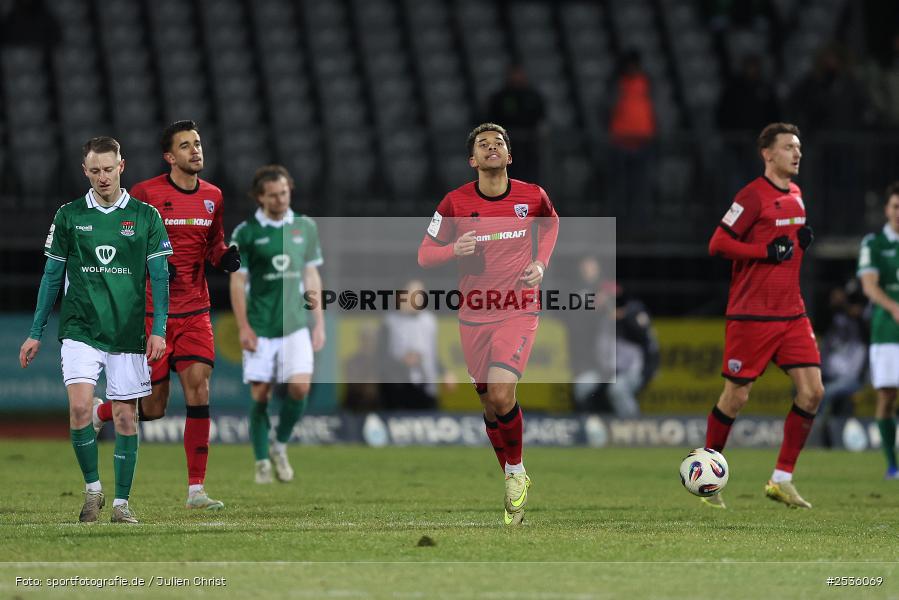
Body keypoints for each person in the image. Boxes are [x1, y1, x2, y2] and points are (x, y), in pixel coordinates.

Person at [19, 136, 171, 524]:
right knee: (81, 408)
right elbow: (52, 276)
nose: (102, 177)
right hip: (80, 327)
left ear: (122, 167)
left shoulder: (145, 216)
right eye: (95, 170)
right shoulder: (69, 215)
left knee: (125, 418)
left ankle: (121, 504)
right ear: (84, 171)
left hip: (127, 331)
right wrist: (36, 331)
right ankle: (92, 492)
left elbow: (160, 277)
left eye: (109, 169)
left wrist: (159, 329)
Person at [418, 123, 559, 525]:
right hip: (473, 314)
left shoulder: (533, 196)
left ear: (509, 156)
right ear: (472, 160)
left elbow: (551, 224)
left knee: (501, 394)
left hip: (518, 308)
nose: (491, 147)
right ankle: (512, 475)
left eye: (499, 143)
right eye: (483, 144)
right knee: (488, 404)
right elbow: (425, 255)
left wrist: (540, 263)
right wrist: (450, 250)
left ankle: (515, 473)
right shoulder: (454, 203)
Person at [94, 120, 240, 510]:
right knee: (154, 407)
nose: (196, 150)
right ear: (169, 156)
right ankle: (101, 411)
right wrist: (151, 264)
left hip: (195, 311)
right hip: (152, 315)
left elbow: (213, 243)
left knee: (200, 389)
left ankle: (196, 490)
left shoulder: (214, 196)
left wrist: (224, 257)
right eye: (186, 145)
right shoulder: (146, 194)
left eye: (197, 143)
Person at [705, 122, 823, 509]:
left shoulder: (797, 195)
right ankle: (707, 476)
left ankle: (781, 479)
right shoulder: (752, 196)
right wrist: (764, 253)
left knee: (812, 391)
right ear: (767, 154)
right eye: (789, 147)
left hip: (791, 312)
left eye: (799, 147)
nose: (797, 153)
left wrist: (800, 245)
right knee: (736, 397)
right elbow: (718, 243)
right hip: (751, 314)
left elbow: (786, 250)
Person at [229, 165, 325, 484]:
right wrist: (243, 327)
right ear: (260, 197)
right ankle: (260, 461)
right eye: (273, 195)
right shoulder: (246, 233)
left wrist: (319, 322)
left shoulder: (305, 227)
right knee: (261, 395)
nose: (280, 199)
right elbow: (237, 282)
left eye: (284, 192)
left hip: (296, 324)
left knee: (300, 387)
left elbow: (311, 275)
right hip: (260, 325)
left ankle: (279, 445)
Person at [857, 181, 899, 480]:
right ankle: (892, 464)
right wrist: (895, 307)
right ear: (887, 209)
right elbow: (869, 285)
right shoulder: (874, 243)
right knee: (886, 395)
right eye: (896, 206)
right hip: (887, 331)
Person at [379, 278, 456, 410]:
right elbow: (380, 360)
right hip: (398, 392)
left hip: (426, 391)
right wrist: (402, 362)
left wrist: (445, 372)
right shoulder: (390, 322)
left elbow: (432, 355)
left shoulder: (429, 321)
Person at [486, 64, 546, 182]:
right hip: (507, 141)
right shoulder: (500, 97)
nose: (517, 78)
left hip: (530, 140)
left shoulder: (532, 95)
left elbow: (540, 115)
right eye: (514, 75)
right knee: (510, 170)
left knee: (530, 170)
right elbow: (492, 118)